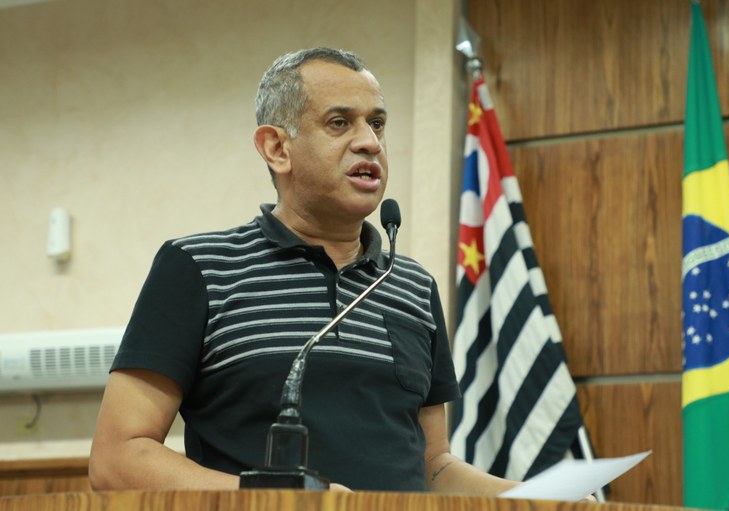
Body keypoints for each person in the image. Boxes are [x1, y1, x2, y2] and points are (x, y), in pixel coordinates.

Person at [89, 47, 521, 495]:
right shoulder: (198, 268)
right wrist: (291, 501)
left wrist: (536, 500)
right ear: (277, 149)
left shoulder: (412, 285)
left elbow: (433, 467)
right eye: (339, 123)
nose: (370, 142)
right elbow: (118, 459)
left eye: (376, 123)